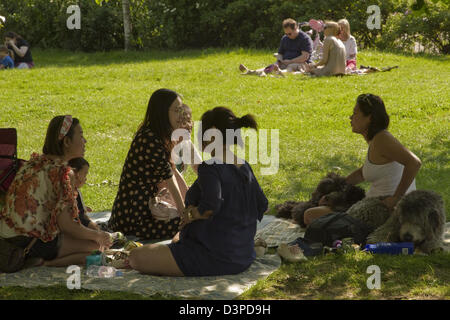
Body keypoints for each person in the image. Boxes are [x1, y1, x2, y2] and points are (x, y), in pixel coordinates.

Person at [128, 107, 268, 276]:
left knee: (136, 256)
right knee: (177, 238)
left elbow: (211, 206)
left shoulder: (210, 168)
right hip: (242, 255)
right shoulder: (244, 166)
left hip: (213, 256)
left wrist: (191, 214)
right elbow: (262, 204)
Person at [0, 116, 112, 268]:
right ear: (66, 142)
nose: (85, 141)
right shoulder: (61, 173)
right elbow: (66, 224)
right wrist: (98, 235)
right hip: (27, 242)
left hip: (7, 236)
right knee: (94, 246)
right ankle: (47, 263)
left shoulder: (34, 163)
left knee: (90, 242)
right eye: (81, 135)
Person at [303, 94, 421, 225]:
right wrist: (335, 191)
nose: (351, 117)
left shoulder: (382, 139)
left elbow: (414, 163)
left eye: (355, 113)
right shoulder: (377, 140)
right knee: (318, 212)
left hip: (386, 212)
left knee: (310, 215)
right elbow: (362, 173)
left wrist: (396, 198)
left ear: (369, 118)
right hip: (373, 207)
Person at [108, 89, 194, 240]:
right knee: (193, 226)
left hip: (147, 209)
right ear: (162, 112)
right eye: (176, 110)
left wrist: (188, 204)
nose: (181, 115)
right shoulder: (149, 138)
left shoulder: (159, 135)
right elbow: (169, 179)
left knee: (196, 220)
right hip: (134, 217)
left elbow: (173, 172)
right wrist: (183, 215)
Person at [239, 18, 313, 76]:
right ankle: (251, 71)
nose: (288, 36)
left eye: (289, 34)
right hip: (285, 62)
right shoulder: (285, 38)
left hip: (300, 64)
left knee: (291, 66)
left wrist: (290, 61)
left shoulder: (305, 39)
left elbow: (305, 57)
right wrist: (278, 62)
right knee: (271, 67)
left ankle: (279, 72)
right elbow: (280, 53)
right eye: (286, 34)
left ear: (296, 28)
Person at [68, 157, 99, 231]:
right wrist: (93, 226)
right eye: (85, 174)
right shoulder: (70, 192)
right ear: (75, 174)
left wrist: (83, 207)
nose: (86, 178)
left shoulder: (75, 190)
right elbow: (80, 217)